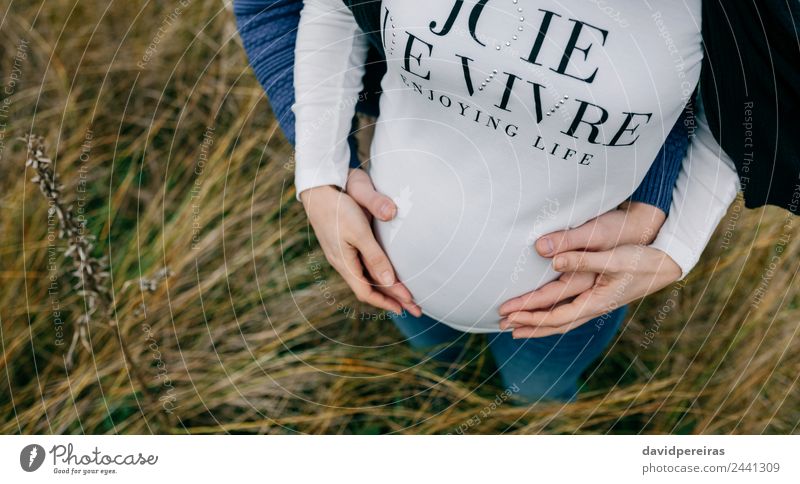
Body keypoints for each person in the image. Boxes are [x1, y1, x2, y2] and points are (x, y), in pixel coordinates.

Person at [235, 0, 736, 400]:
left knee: (536, 391)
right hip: (392, 261)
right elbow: (334, 5)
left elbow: (752, 94)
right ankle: (447, 384)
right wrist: (319, 170)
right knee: (437, 361)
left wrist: (679, 244)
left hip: (569, 295)